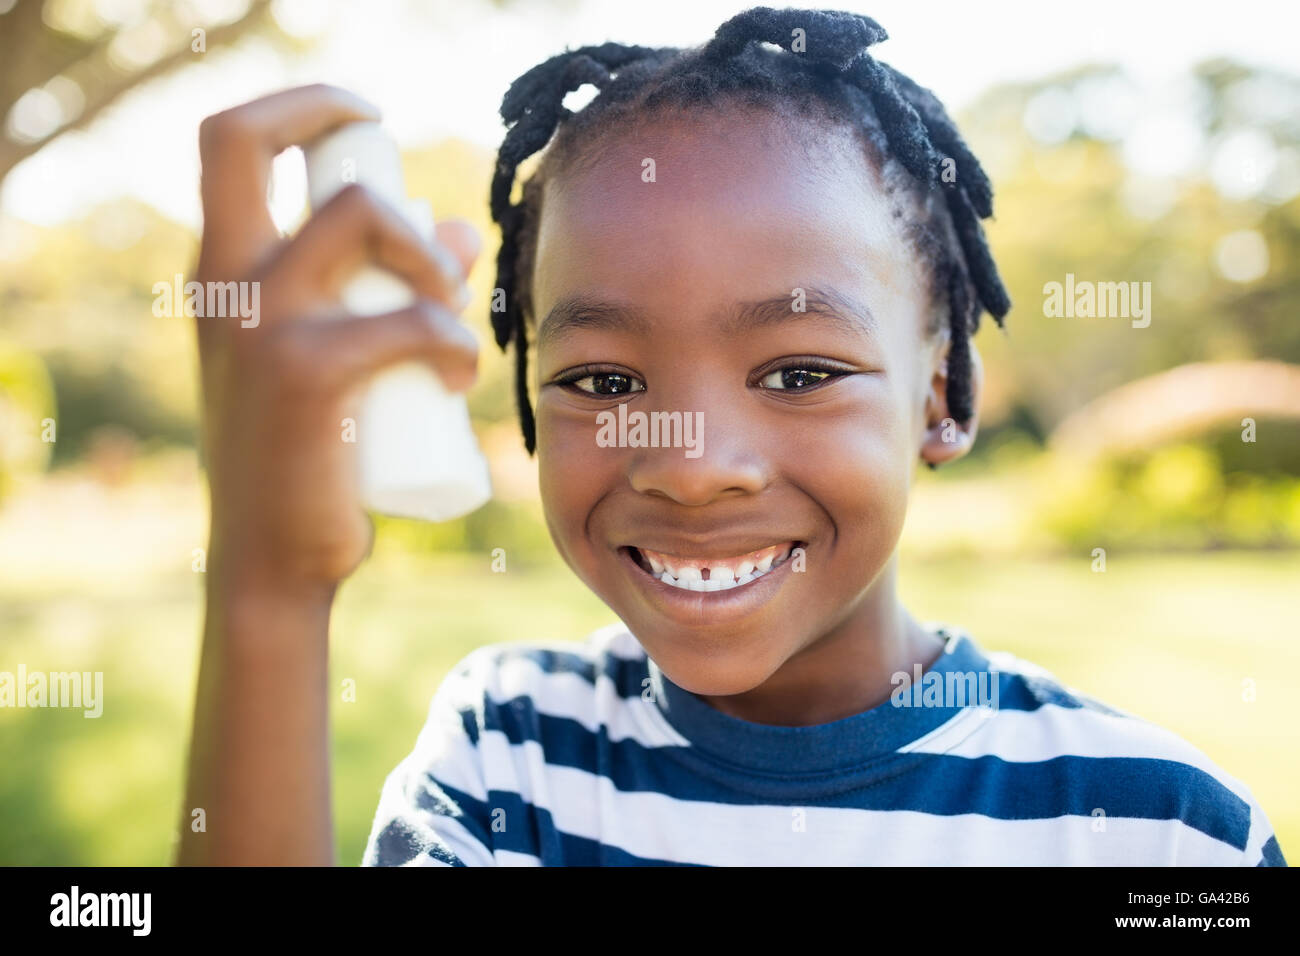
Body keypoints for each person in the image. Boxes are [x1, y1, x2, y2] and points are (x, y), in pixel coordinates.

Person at [178, 7, 1285, 866]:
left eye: (799, 371)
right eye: (603, 378)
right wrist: (268, 583)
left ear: (941, 391)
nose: (693, 466)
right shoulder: (505, 759)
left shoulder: (1154, 827)